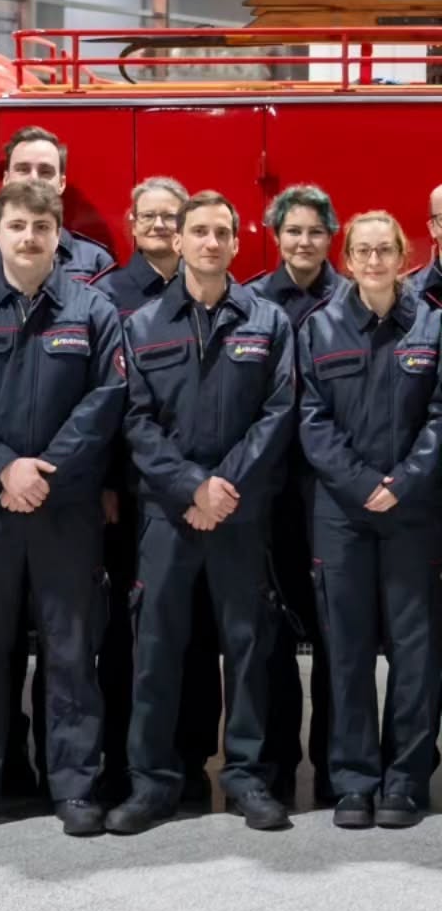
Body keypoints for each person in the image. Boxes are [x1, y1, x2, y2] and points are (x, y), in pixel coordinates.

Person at [0, 180, 125, 837]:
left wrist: (47, 472)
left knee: (71, 653)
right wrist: (2, 467)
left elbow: (105, 399)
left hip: (64, 512)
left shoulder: (93, 310)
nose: (31, 237)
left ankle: (73, 786)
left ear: (57, 233)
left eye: (42, 226)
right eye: (18, 225)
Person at [107, 191, 295, 836]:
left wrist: (225, 486)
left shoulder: (269, 323)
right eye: (199, 232)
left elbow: (279, 412)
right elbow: (132, 418)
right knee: (156, 647)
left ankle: (246, 778)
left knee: (248, 647)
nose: (211, 243)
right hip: (167, 513)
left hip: (240, 514)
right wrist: (192, 487)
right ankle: (153, 782)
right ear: (178, 242)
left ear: (239, 244)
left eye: (223, 232)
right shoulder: (142, 324)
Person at [299, 211, 442, 829]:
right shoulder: (319, 328)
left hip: (415, 512)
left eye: (386, 250)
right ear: (348, 259)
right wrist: (362, 485)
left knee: (416, 652)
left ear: (403, 256)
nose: (376, 260)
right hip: (342, 512)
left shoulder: (434, 326)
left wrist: (404, 482)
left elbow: (441, 417)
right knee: (347, 650)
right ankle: (353, 780)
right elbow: (310, 418)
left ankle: (406, 781)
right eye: (364, 251)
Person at [92, 177, 221, 804]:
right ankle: (127, 759)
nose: (162, 226)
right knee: (133, 634)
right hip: (137, 497)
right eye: (151, 216)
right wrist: (110, 485)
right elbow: (112, 405)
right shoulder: (111, 297)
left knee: (199, 634)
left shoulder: (219, 295)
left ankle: (194, 757)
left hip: (214, 499)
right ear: (132, 221)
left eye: (174, 216)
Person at [251, 183, 342, 805]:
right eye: (293, 232)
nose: (303, 241)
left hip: (335, 494)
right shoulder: (254, 303)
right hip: (273, 494)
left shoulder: (354, 297)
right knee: (273, 635)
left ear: (329, 237)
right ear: (276, 236)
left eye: (313, 231)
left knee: (341, 634)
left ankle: (338, 770)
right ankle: (277, 768)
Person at [0, 126, 113, 288]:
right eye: (23, 169)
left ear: (61, 184)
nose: (34, 179)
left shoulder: (96, 261)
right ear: (6, 179)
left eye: (45, 172)